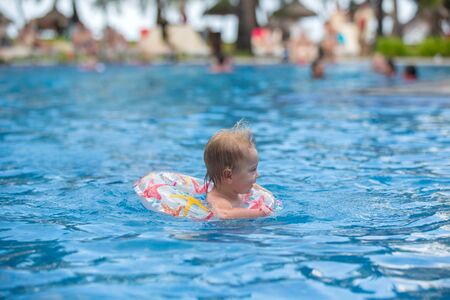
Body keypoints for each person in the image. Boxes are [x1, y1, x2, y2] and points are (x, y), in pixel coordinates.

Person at [203, 122, 272, 219]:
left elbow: (256, 190)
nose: (258, 175)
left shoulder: (235, 190)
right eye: (253, 170)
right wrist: (259, 213)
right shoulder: (219, 200)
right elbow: (224, 214)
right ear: (228, 176)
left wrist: (261, 190)